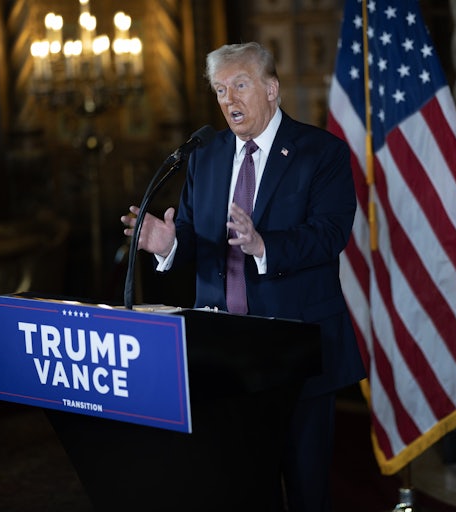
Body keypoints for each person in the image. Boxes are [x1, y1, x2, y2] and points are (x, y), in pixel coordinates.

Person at [121, 42, 365, 511]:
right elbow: (194, 236)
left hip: (296, 351)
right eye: (219, 90)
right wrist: (167, 243)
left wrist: (263, 246)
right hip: (224, 356)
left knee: (307, 491)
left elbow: (330, 235)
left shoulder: (322, 152)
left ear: (271, 89)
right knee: (240, 489)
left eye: (239, 85)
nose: (228, 99)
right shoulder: (205, 156)